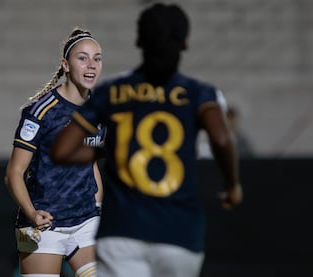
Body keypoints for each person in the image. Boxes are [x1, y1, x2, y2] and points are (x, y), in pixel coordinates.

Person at [50, 3, 243, 277]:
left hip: (121, 233)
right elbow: (222, 140)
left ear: (140, 41)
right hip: (180, 233)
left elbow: (62, 149)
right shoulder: (199, 93)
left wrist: (113, 149)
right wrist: (232, 186)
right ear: (185, 43)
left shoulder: (111, 91)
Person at [4, 27, 104, 277]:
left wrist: (100, 207)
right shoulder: (41, 112)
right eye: (82, 58)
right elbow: (14, 173)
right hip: (45, 224)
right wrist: (31, 213)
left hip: (86, 221)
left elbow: (91, 164)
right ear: (66, 65)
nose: (91, 65)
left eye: (97, 58)